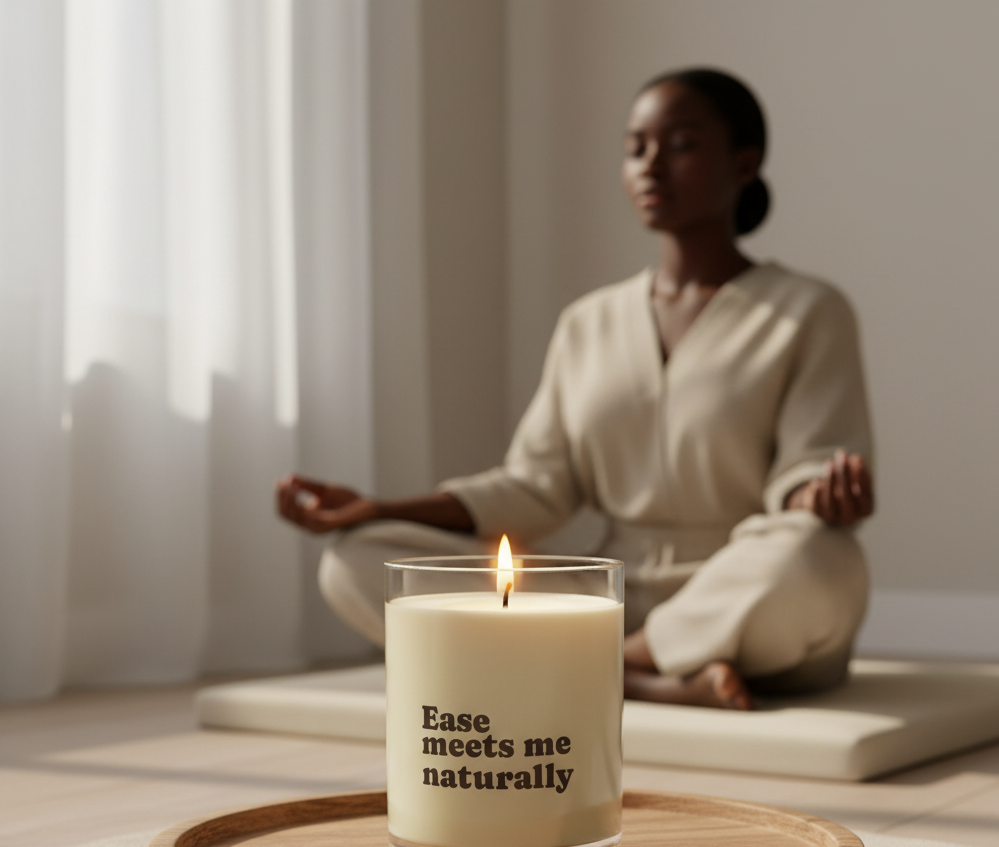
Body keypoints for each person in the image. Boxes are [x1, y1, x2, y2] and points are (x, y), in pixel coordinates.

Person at [276, 67, 874, 712]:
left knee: (819, 556)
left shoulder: (808, 310)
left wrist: (822, 496)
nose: (651, 165)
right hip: (606, 596)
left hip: (742, 588)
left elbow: (808, 471)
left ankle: (586, 668)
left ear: (744, 162)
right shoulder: (588, 322)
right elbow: (536, 487)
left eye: (680, 144)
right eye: (635, 147)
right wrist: (381, 509)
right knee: (359, 560)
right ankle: (647, 678)